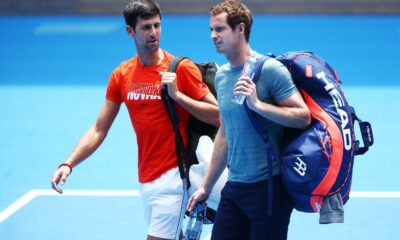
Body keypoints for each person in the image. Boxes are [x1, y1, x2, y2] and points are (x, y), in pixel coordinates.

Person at [50, 1, 219, 239]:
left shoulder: (180, 69)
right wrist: (68, 163)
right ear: (130, 31)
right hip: (146, 176)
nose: (154, 33)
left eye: (157, 25)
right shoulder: (121, 74)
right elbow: (99, 128)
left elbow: (218, 115)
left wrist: (178, 96)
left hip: (174, 176)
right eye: (146, 27)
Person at [187, 1, 311, 239]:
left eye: (220, 29)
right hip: (234, 189)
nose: (213, 36)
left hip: (269, 190)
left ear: (240, 29)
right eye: (211, 30)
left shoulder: (270, 70)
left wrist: (257, 105)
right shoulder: (222, 76)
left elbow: (302, 117)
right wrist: (206, 186)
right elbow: (225, 132)